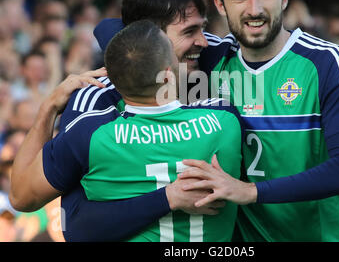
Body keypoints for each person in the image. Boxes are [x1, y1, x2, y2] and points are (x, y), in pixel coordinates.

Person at [49, 0, 339, 241]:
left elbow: (111, 29)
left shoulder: (216, 58)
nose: (253, 9)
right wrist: (49, 109)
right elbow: (42, 207)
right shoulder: (98, 99)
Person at [9, 20, 244, 242]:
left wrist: (49, 107)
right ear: (168, 74)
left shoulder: (90, 135)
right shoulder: (224, 120)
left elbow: (20, 197)